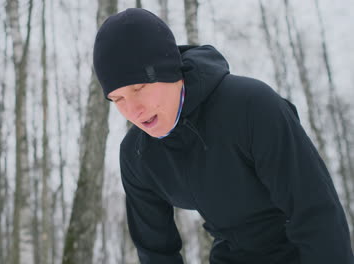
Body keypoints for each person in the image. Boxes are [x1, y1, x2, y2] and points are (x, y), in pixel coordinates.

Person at [93, 8, 354, 264]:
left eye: (139, 87)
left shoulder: (252, 108)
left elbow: (315, 213)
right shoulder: (137, 155)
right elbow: (155, 252)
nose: (133, 110)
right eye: (118, 99)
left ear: (170, 70)